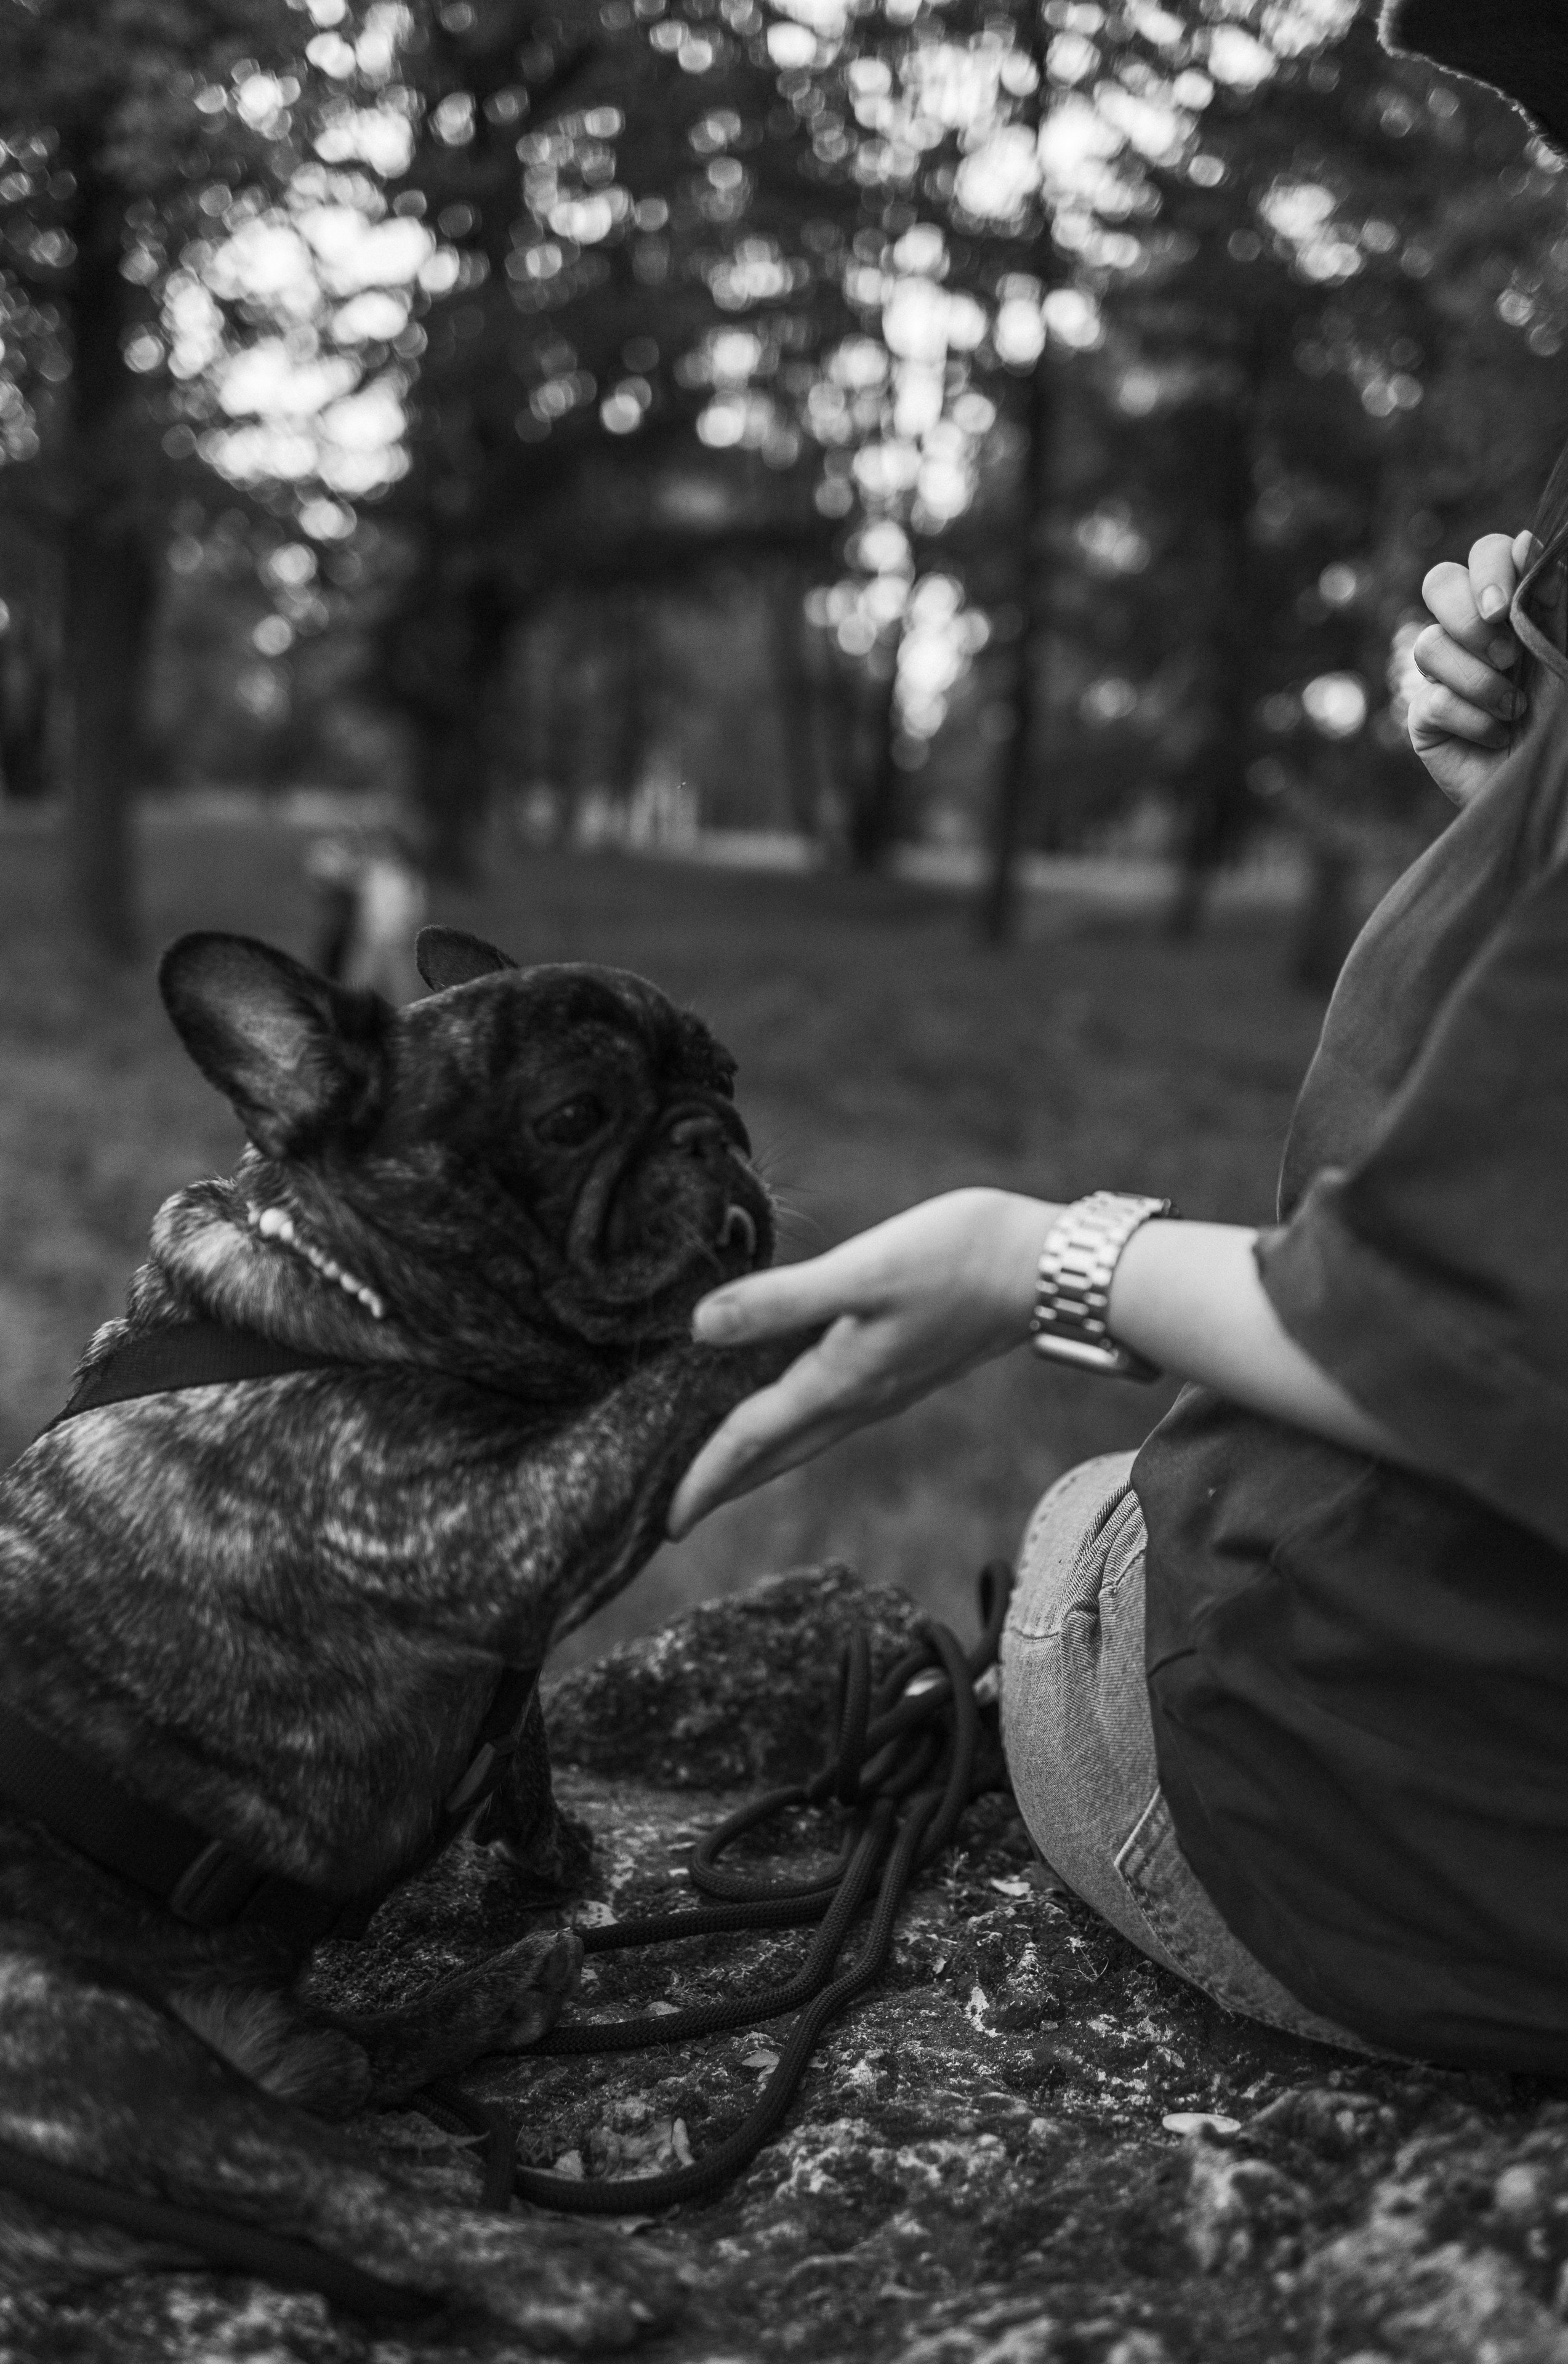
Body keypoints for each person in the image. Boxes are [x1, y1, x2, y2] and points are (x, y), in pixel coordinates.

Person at [665, 11, 1568, 2070]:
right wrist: (1524, 814)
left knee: (1093, 1544)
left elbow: (1459, 1355)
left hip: (1417, 1847)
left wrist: (1033, 1255)